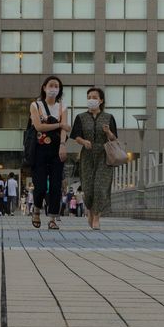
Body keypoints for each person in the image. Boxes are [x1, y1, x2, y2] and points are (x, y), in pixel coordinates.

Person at [70, 87, 121, 231]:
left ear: (101, 100)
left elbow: (113, 138)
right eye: (89, 97)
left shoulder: (109, 117)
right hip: (87, 156)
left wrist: (108, 132)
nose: (91, 100)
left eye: (94, 97)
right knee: (88, 189)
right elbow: (76, 136)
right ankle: (90, 212)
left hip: (104, 155)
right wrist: (84, 142)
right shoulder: (81, 117)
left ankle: (97, 217)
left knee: (100, 187)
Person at [28, 75, 69, 230]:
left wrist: (63, 144)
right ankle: (36, 209)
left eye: (57, 86)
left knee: (56, 185)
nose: (54, 89)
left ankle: (52, 218)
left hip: (57, 148)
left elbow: (64, 131)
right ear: (44, 88)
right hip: (39, 149)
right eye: (51, 85)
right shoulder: (35, 105)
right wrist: (60, 124)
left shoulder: (62, 107)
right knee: (40, 186)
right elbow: (38, 127)